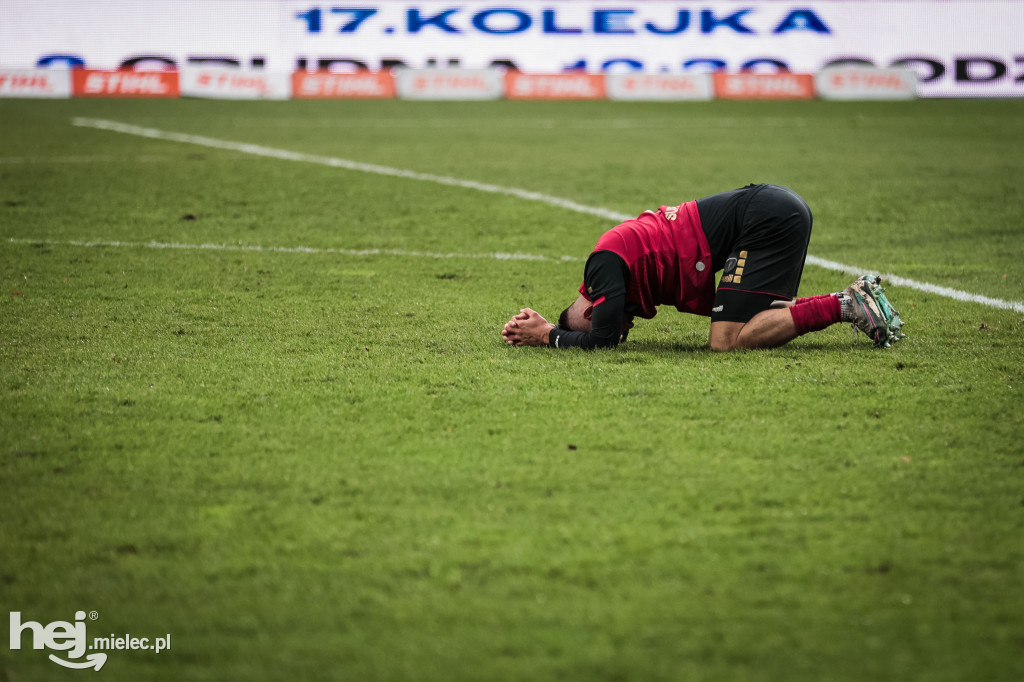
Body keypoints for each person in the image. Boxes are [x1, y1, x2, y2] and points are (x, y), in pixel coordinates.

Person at [501, 183, 904, 351]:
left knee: (725, 340)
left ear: (591, 309)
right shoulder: (615, 273)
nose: (627, 331)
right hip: (769, 212)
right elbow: (608, 333)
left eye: (618, 324)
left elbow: (602, 339)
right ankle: (848, 302)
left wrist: (546, 334)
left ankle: (844, 305)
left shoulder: (602, 266)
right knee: (757, 323)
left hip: (764, 217)